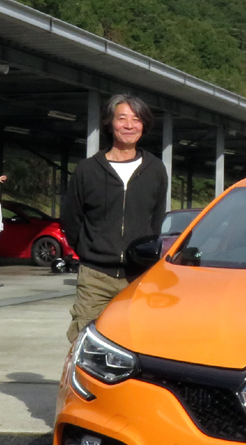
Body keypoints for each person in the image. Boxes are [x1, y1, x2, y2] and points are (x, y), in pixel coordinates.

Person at [61, 94, 168, 342]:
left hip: (138, 277)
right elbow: (71, 218)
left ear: (144, 125)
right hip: (95, 277)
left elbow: (156, 219)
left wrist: (142, 256)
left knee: (138, 342)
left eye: (136, 119)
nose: (129, 125)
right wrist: (90, 250)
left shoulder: (155, 169)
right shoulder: (87, 170)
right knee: (85, 341)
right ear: (110, 123)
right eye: (122, 118)